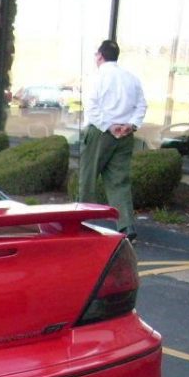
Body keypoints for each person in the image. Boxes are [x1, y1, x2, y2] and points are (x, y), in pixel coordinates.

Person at [78, 39, 147, 240]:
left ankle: (79, 223)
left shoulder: (96, 77)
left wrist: (109, 126)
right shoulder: (131, 78)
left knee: (88, 178)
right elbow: (142, 105)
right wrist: (130, 125)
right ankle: (126, 226)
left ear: (100, 55)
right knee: (119, 181)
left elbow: (91, 106)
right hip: (125, 135)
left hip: (100, 132)